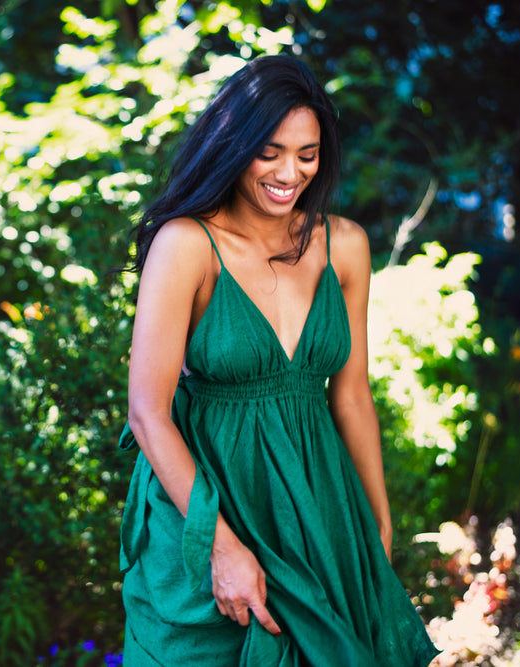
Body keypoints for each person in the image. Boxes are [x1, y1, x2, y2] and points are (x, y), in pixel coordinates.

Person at [117, 54, 440, 665]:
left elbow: (350, 396)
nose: (289, 172)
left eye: (307, 154)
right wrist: (219, 547)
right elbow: (147, 413)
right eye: (270, 151)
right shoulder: (187, 244)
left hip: (317, 502)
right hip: (213, 497)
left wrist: (376, 520)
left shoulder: (343, 245)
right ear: (234, 145)